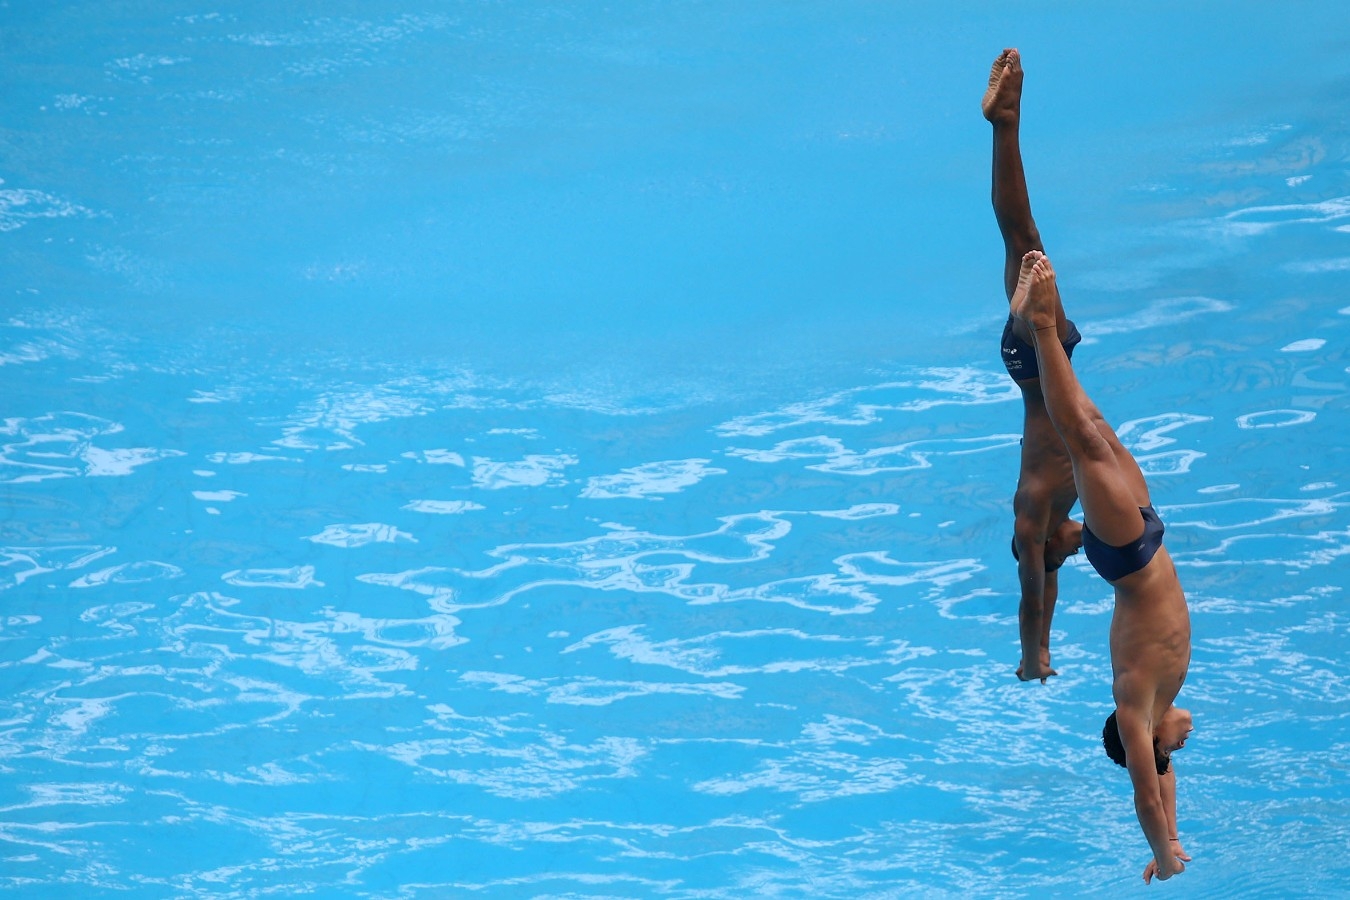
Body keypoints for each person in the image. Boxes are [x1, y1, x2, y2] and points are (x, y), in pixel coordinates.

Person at [1010, 249, 1194, 883]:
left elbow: (1144, 792)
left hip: (1125, 553)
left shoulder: (1134, 706)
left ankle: (1038, 328)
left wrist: (1164, 861)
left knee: (1081, 440)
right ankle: (1048, 323)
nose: (1177, 750)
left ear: (1143, 741)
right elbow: (1164, 789)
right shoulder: (1158, 706)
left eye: (1164, 752)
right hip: (1147, 537)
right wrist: (1171, 837)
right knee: (1098, 427)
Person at [982, 48, 1083, 682]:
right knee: (1020, 237)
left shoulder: (1033, 513)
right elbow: (1048, 590)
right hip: (1039, 364)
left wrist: (1033, 655)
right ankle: (1006, 122)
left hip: (1040, 360)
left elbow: (1033, 597)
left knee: (1023, 234)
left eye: (1061, 555)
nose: (1077, 551)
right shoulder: (1063, 508)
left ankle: (1006, 121)